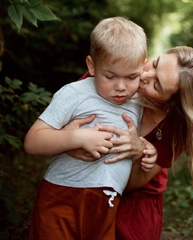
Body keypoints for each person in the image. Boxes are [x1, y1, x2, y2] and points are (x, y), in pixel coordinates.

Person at [62, 46, 193, 240]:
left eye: (157, 85)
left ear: (171, 104)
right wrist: (69, 138)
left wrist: (138, 153)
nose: (145, 75)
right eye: (155, 64)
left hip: (137, 192)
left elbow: (132, 185)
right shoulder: (114, 72)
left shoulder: (174, 126)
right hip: (89, 172)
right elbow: (61, 118)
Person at [24, 16, 153, 240]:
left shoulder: (140, 102)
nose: (121, 87)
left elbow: (139, 141)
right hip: (63, 194)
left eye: (131, 77)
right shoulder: (74, 94)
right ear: (91, 66)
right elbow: (33, 142)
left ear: (143, 67)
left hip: (108, 200)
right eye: (110, 76)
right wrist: (78, 137)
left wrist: (145, 151)